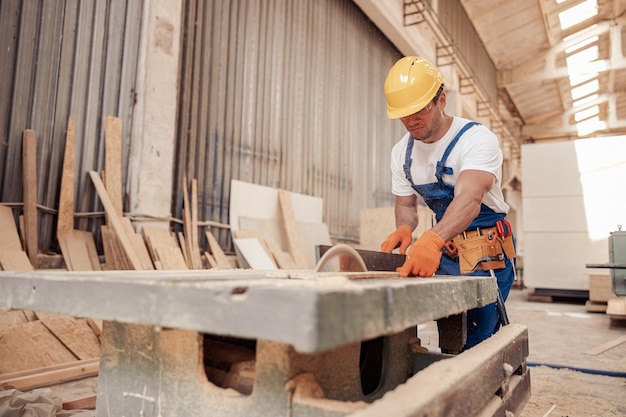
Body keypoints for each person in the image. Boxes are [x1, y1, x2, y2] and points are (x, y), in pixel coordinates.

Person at [380, 56, 516, 350]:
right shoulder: (401, 153)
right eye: (403, 115)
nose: (411, 121)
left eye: (419, 111)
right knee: (452, 336)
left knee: (477, 341)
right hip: (446, 250)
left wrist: (431, 239)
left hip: (485, 251)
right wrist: (405, 228)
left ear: (441, 100)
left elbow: (470, 200)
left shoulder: (476, 139)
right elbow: (406, 203)